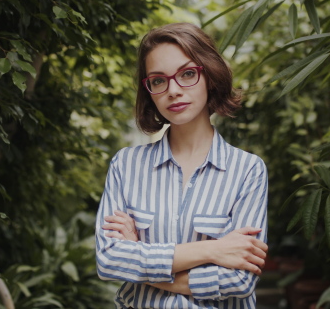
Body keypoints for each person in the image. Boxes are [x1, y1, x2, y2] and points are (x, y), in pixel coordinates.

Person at [95, 22, 268, 309]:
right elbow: (109, 261)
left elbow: (240, 281)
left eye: (187, 74)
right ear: (149, 89)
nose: (173, 90)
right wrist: (213, 249)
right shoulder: (125, 165)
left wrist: (139, 257)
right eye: (159, 80)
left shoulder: (247, 170)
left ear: (209, 76)